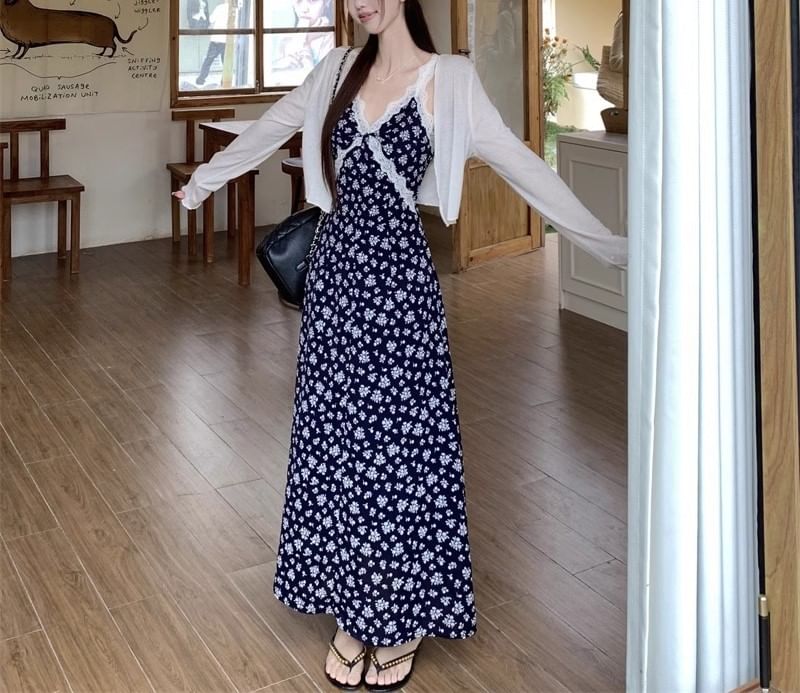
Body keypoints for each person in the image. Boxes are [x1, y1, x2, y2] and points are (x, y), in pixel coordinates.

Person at [174, 1, 627, 690]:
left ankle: (401, 616)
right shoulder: (334, 71)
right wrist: (206, 180)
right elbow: (269, 128)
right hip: (335, 285)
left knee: (402, 451)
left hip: (401, 288)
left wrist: (612, 248)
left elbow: (520, 164)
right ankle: (353, 608)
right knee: (338, 444)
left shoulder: (450, 79)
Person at [272, 0, 336, 74]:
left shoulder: (333, 39)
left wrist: (306, 42)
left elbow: (322, 79)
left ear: (326, 3)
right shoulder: (285, 40)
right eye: (298, 1)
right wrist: (277, 66)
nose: (304, 9)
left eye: (313, 1)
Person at [196, 0, 237, 86]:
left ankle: (201, 79)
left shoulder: (219, 7)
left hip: (216, 39)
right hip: (227, 40)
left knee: (208, 60)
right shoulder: (235, 10)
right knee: (226, 63)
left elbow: (211, 19)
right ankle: (225, 81)